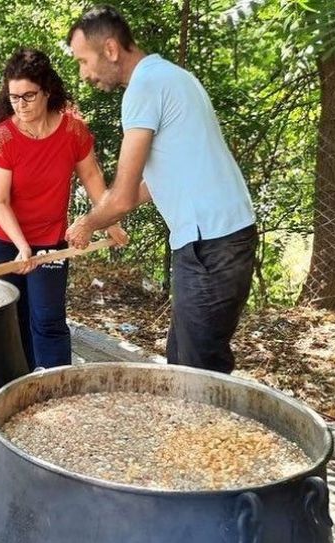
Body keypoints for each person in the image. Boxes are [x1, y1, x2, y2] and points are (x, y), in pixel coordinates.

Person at [65, 5, 257, 373]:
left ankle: (209, 433)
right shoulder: (171, 76)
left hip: (211, 244)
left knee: (199, 374)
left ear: (110, 49)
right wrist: (106, 217)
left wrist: (89, 223)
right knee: (181, 363)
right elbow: (154, 182)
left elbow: (121, 197)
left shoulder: (145, 87)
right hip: (218, 238)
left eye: (84, 61)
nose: (83, 74)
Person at [0, 49, 127, 369]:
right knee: (13, 316)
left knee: (48, 318)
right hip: (5, 240)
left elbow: (91, 176)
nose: (20, 106)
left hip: (49, 239)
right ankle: (18, 387)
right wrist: (21, 247)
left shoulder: (73, 131)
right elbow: (0, 201)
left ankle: (55, 386)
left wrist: (109, 220)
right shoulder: (2, 138)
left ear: (47, 90)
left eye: (28, 96)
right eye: (14, 98)